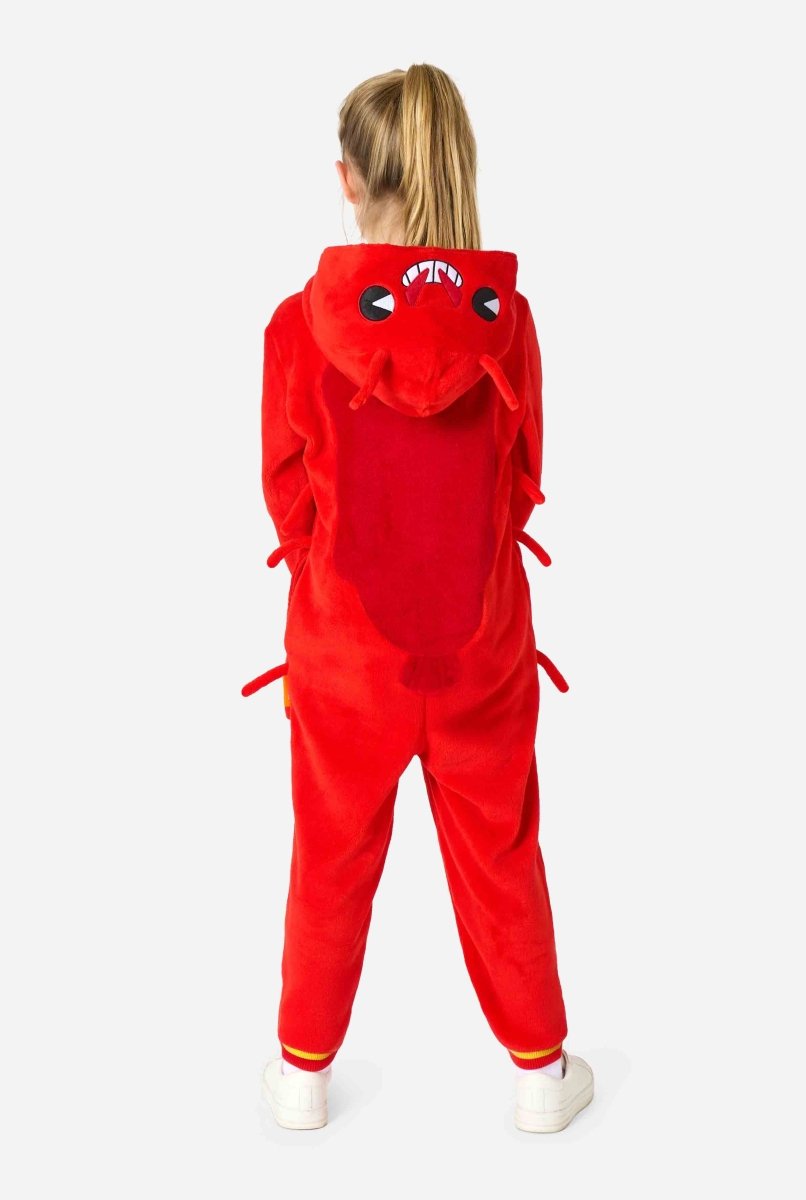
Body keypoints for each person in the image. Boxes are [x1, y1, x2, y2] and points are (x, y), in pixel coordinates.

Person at [244, 63, 594, 1134]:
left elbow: (287, 493)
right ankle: (541, 1075)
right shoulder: (508, 324)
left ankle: (302, 1076)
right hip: (480, 651)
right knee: (501, 853)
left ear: (348, 181)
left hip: (345, 659)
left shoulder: (297, 327)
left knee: (330, 856)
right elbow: (523, 475)